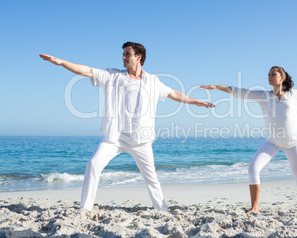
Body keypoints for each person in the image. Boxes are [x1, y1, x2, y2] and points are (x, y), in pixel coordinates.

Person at [40, 42, 215, 212]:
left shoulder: (153, 81)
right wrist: (61, 62)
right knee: (93, 164)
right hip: (114, 137)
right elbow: (86, 70)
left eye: (127, 54)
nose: (123, 57)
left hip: (141, 140)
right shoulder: (113, 76)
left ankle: (162, 210)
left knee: (151, 177)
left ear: (138, 57)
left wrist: (196, 102)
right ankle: (85, 208)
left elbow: (174, 94)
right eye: (123, 54)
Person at [201, 66, 297, 213]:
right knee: (252, 169)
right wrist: (216, 87)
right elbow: (239, 92)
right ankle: (255, 207)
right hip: (272, 142)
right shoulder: (263, 96)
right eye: (268, 74)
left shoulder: (294, 94)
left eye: (273, 74)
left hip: (293, 143)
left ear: (282, 77)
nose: (269, 77)